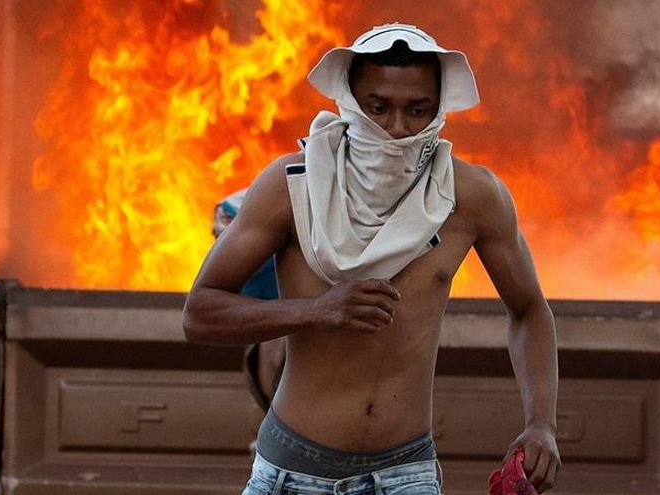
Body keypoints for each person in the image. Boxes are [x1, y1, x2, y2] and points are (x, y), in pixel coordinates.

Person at [183, 23, 560, 494]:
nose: (397, 128)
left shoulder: (472, 197)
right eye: (378, 108)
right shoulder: (292, 186)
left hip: (406, 475)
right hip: (290, 474)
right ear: (350, 101)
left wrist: (541, 423)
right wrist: (317, 310)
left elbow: (529, 309)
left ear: (440, 108)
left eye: (417, 110)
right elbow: (200, 313)